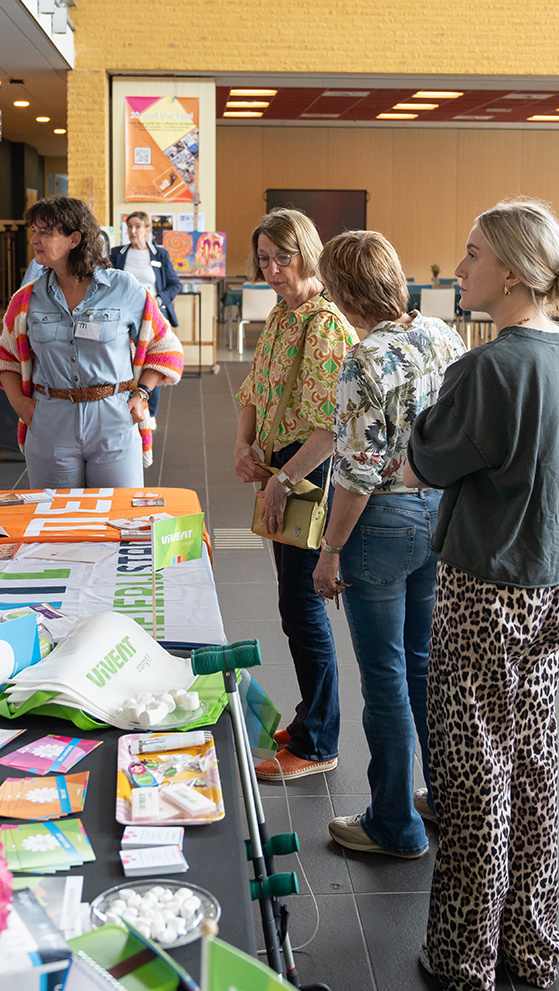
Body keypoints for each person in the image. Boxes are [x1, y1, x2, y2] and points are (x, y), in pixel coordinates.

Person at [402, 199, 559, 991]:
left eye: (475, 252)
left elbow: (426, 461)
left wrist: (420, 406)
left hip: (486, 584)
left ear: (513, 272)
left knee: (472, 771)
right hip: (551, 580)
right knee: (532, 760)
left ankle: (463, 958)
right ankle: (531, 942)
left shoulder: (490, 366)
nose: (460, 265)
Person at [309, 230, 466, 859]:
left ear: (344, 289)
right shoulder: (444, 336)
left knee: (385, 679)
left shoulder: (363, 359)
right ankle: (447, 800)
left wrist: (328, 553)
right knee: (426, 666)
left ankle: (394, 823)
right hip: (437, 513)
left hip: (380, 524)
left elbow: (356, 470)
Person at [233, 208, 358, 782]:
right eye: (263, 259)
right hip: (283, 465)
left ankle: (318, 742)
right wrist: (244, 444)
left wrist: (284, 480)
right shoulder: (282, 317)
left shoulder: (327, 324)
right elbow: (254, 388)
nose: (273, 269)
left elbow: (330, 427)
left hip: (312, 471)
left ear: (307, 252)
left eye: (283, 257)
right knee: (291, 601)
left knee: (304, 605)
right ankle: (312, 718)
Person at [0, 196, 182, 488]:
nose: (34, 240)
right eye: (34, 231)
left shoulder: (124, 288)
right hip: (50, 423)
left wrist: (142, 394)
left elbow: (165, 346)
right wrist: (21, 405)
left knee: (117, 522)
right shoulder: (26, 299)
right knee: (55, 524)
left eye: (45, 232)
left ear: (74, 239)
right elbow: (6, 357)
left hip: (114, 420)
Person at [109, 212, 183, 417]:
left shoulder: (160, 254)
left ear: (147, 230)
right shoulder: (117, 254)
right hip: (123, 317)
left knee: (153, 362)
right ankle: (127, 406)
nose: (133, 231)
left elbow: (174, 284)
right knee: (126, 362)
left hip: (153, 317)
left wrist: (157, 302)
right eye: (129, 226)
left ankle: (150, 413)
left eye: (138, 226)